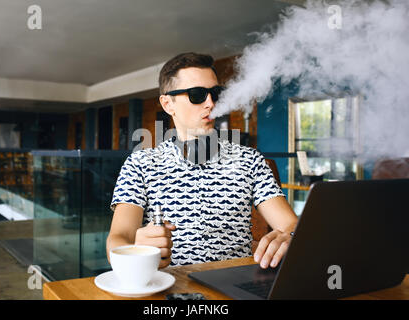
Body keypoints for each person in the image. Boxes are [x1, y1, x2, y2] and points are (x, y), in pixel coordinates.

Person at [107, 52, 298, 269]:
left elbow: (290, 224)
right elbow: (118, 238)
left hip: (234, 287)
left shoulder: (250, 160)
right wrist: (133, 251)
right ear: (168, 103)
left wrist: (291, 235)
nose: (210, 103)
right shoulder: (140, 164)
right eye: (197, 95)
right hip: (170, 289)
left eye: (215, 93)